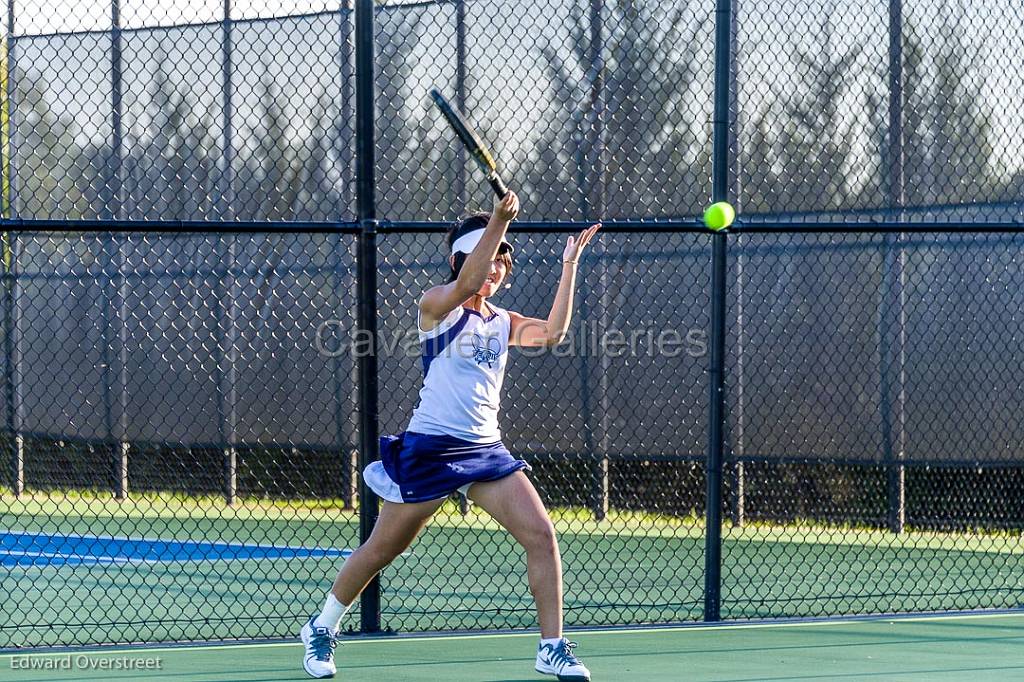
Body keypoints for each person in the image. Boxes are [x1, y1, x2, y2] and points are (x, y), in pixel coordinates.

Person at [301, 190, 600, 681]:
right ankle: (322, 626)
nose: (499, 268)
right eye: (491, 256)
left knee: (541, 535)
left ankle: (552, 647)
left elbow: (550, 333)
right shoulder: (437, 306)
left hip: (485, 452)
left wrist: (569, 265)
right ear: (463, 258)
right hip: (431, 450)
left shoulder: (502, 322)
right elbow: (465, 284)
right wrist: (499, 222)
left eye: (504, 260)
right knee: (383, 549)